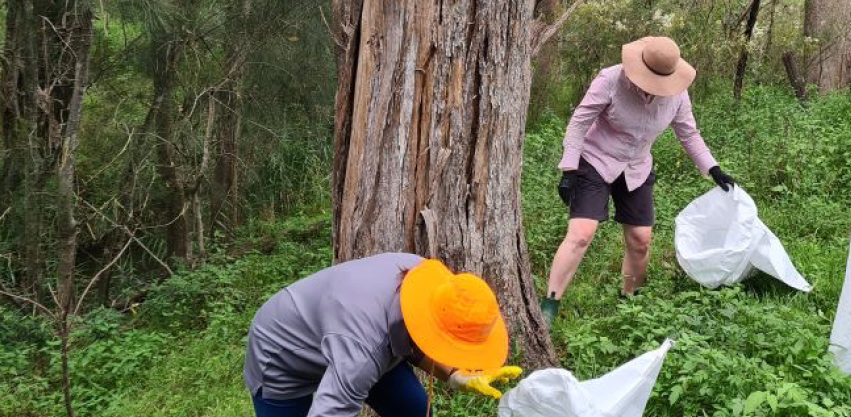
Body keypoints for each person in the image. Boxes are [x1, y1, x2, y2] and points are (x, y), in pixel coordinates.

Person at [540, 36, 737, 323]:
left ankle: (630, 303)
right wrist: (569, 168)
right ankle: (550, 305)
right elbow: (579, 122)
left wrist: (713, 168)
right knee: (582, 233)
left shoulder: (677, 95)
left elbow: (689, 134)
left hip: (636, 166)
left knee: (641, 239)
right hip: (596, 160)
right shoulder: (609, 79)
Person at [243, 253, 523, 417]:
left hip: (355, 336)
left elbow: (416, 340)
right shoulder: (363, 352)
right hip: (281, 355)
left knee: (414, 411)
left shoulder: (428, 282)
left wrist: (453, 374)